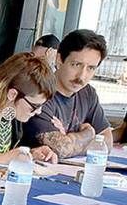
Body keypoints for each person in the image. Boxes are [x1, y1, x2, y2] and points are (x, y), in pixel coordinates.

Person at [22, 29, 113, 158]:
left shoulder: (87, 93)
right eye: (76, 64)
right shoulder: (40, 92)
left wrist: (70, 139)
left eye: (91, 68)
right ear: (59, 60)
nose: (81, 76)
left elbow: (107, 142)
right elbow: (62, 149)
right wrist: (88, 134)